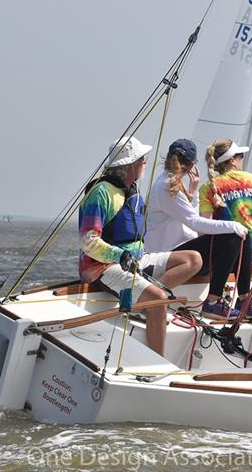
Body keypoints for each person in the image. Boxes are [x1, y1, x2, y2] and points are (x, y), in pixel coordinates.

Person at [78, 137, 201, 355]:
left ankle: (143, 304)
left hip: (137, 261)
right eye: (142, 158)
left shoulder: (131, 189)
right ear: (131, 163)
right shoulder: (102, 193)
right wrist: (120, 256)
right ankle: (157, 359)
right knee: (159, 299)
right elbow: (89, 241)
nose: (146, 161)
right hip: (104, 267)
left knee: (193, 259)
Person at [144, 139, 252, 320]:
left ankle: (244, 299)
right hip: (166, 257)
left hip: (176, 251)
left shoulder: (168, 182)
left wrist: (193, 192)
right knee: (233, 234)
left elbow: (189, 219)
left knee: (239, 234)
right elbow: (194, 222)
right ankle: (212, 304)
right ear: (191, 166)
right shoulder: (166, 186)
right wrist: (232, 225)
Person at [199, 139, 252, 320]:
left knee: (232, 235)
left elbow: (204, 227)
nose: (242, 160)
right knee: (241, 235)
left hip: (234, 260)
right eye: (241, 156)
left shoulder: (209, 188)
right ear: (232, 160)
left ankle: (213, 302)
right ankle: (244, 300)